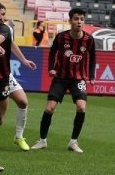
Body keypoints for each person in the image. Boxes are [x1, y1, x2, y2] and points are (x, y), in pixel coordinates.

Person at [31, 8, 95, 153]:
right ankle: (42, 141)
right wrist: (51, 68)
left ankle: (73, 142)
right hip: (60, 77)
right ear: (70, 21)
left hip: (78, 79)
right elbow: (53, 53)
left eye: (82, 19)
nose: (79, 22)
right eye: (76, 19)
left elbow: (93, 58)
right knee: (49, 108)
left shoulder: (88, 39)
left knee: (81, 107)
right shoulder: (61, 37)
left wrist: (91, 76)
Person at [0, 1, 36, 152]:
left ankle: (18, 136)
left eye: (2, 14)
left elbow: (11, 43)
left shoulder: (6, 29)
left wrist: (23, 60)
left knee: (22, 101)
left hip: (3, 74)